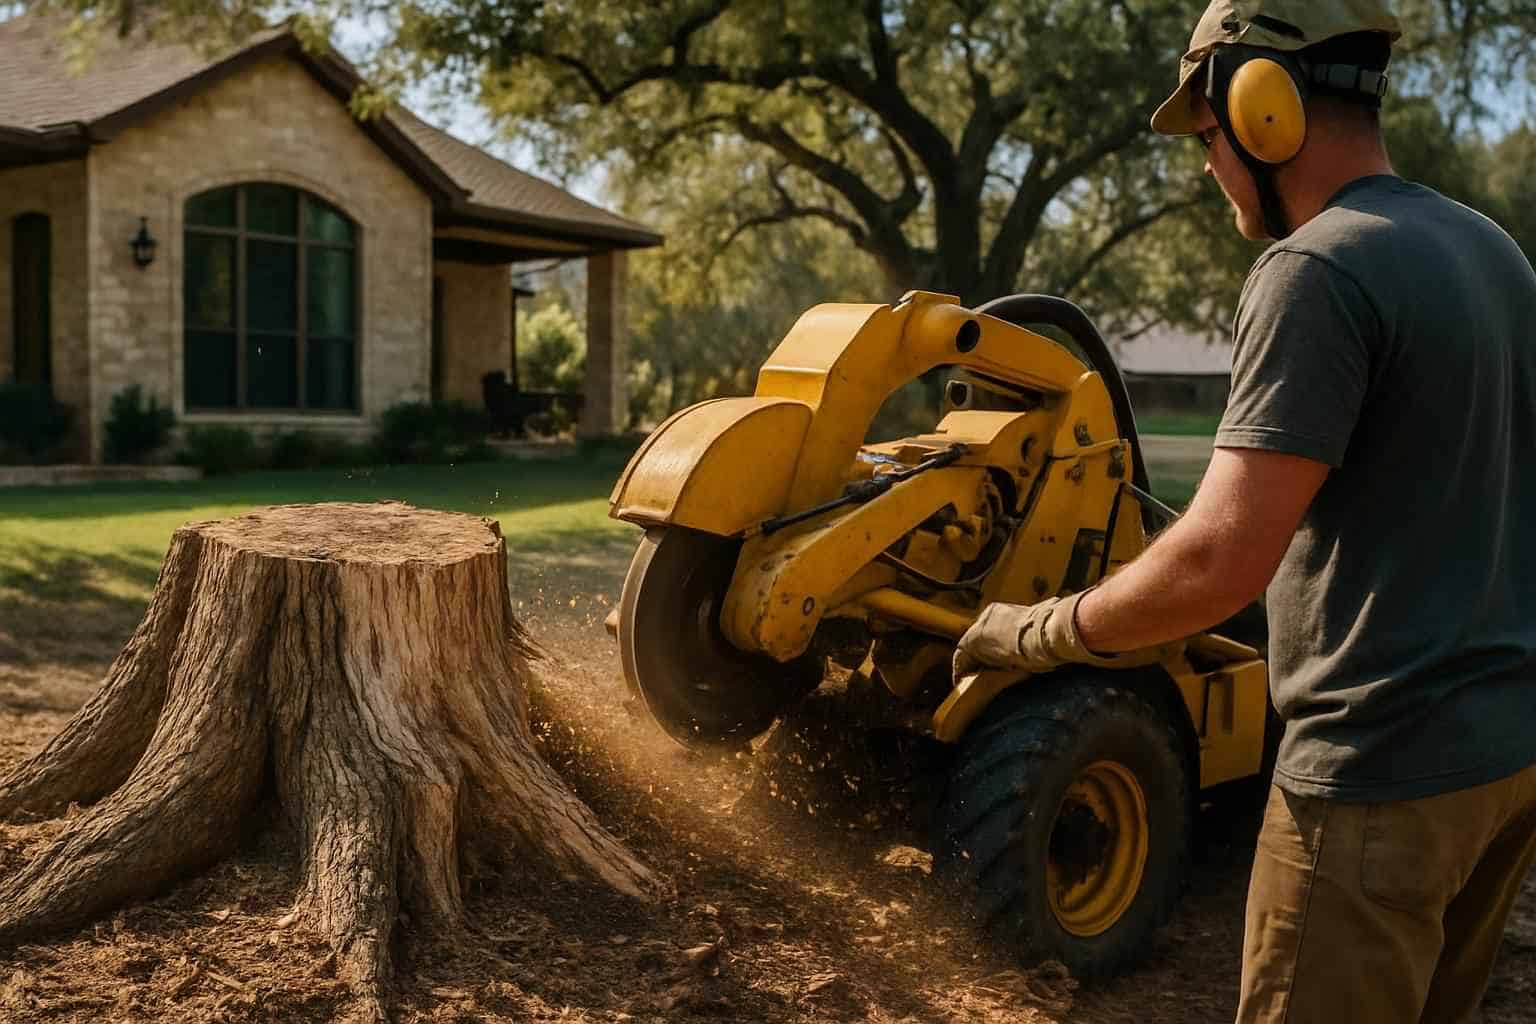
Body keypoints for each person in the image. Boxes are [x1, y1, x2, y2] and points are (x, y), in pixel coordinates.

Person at [952, 1, 1536, 1020]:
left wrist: (1038, 632)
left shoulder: (1316, 269)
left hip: (1375, 779)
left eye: (1209, 134)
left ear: (1263, 109)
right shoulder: (1495, 253)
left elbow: (1222, 561)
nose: (1207, 163)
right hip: (1504, 766)